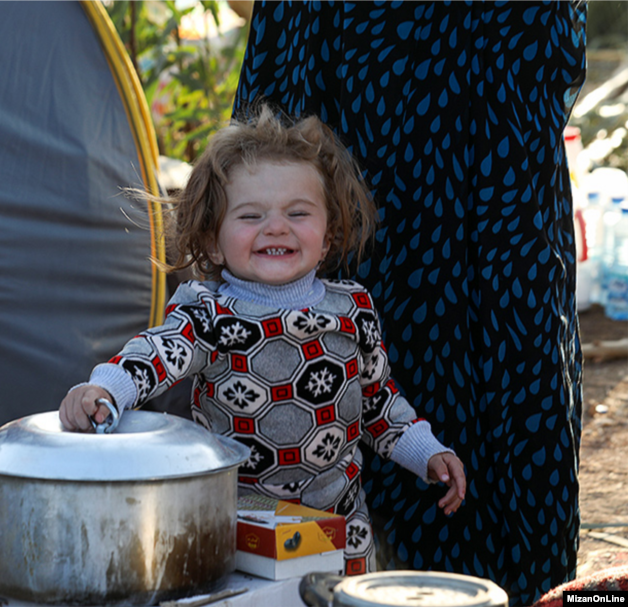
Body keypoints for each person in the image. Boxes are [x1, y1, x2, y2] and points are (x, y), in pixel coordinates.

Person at [232, 3, 586, 605]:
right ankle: (361, 582)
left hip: (475, 56)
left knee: (501, 328)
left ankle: (501, 589)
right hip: (365, 51)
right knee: (326, 300)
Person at [59, 105, 467, 574]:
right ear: (213, 241)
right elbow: (156, 352)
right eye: (251, 216)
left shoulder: (352, 309)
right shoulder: (209, 313)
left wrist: (427, 451)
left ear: (329, 235)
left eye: (298, 212)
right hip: (242, 526)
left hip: (341, 526)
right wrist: (107, 388)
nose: (276, 227)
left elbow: (377, 404)